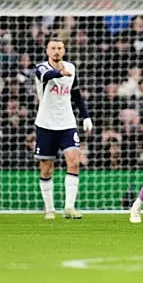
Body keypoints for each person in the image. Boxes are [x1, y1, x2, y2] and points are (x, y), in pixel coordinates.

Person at [35, 38, 93, 220]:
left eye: (59, 48)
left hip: (67, 123)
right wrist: (61, 73)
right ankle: (50, 209)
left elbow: (76, 93)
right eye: (53, 48)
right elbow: (47, 76)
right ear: (47, 50)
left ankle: (69, 207)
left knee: (74, 161)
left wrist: (85, 116)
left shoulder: (71, 68)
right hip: (45, 124)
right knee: (46, 168)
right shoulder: (41, 68)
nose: (56, 51)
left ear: (64, 50)